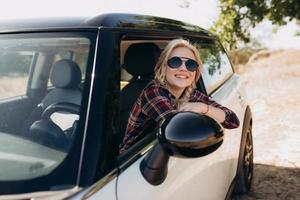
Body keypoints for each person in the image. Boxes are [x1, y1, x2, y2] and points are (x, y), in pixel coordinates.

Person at [119, 38, 240, 153]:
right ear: (163, 67)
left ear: (196, 72)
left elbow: (233, 121)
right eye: (175, 62)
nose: (183, 68)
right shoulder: (152, 93)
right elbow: (178, 130)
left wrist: (203, 108)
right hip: (132, 164)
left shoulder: (191, 93)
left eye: (191, 64)